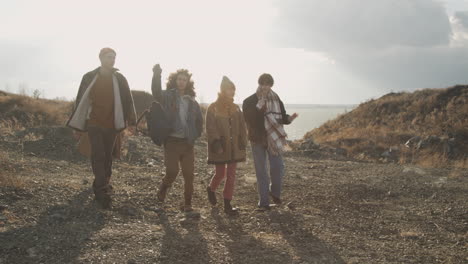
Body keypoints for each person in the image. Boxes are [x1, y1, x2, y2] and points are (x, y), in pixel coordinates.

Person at [67, 47, 137, 209]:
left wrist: (132, 122)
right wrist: (78, 125)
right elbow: (80, 101)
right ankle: (101, 190)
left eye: (113, 57)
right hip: (94, 123)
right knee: (98, 155)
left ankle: (103, 182)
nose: (111, 60)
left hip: (112, 124)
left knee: (107, 157)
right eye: (108, 57)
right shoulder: (90, 77)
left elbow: (128, 101)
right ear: (100, 58)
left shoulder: (120, 79)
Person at [242, 73, 298, 211]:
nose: (265, 86)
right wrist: (258, 108)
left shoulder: (276, 99)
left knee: (278, 167)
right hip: (257, 138)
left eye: (268, 84)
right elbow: (249, 120)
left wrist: (289, 119)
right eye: (263, 83)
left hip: (274, 139)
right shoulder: (249, 101)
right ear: (259, 83)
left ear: (271, 85)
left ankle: (275, 192)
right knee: (261, 171)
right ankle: (264, 202)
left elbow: (280, 117)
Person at [151, 64, 203, 212]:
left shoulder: (192, 101)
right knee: (172, 171)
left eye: (184, 80)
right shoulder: (168, 96)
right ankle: (164, 187)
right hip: (172, 141)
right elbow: (156, 93)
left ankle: (187, 203)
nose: (181, 82)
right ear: (175, 80)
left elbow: (199, 120)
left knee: (189, 174)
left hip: (187, 143)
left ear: (188, 83)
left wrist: (195, 134)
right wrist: (156, 75)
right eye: (179, 79)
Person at [205, 76, 247, 215]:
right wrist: (217, 143)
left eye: (233, 89)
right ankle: (211, 189)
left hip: (234, 147)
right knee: (220, 174)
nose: (232, 92)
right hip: (220, 146)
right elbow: (210, 127)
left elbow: (242, 126)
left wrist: (243, 140)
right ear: (223, 90)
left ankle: (227, 204)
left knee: (231, 175)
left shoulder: (236, 108)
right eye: (230, 89)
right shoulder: (213, 107)